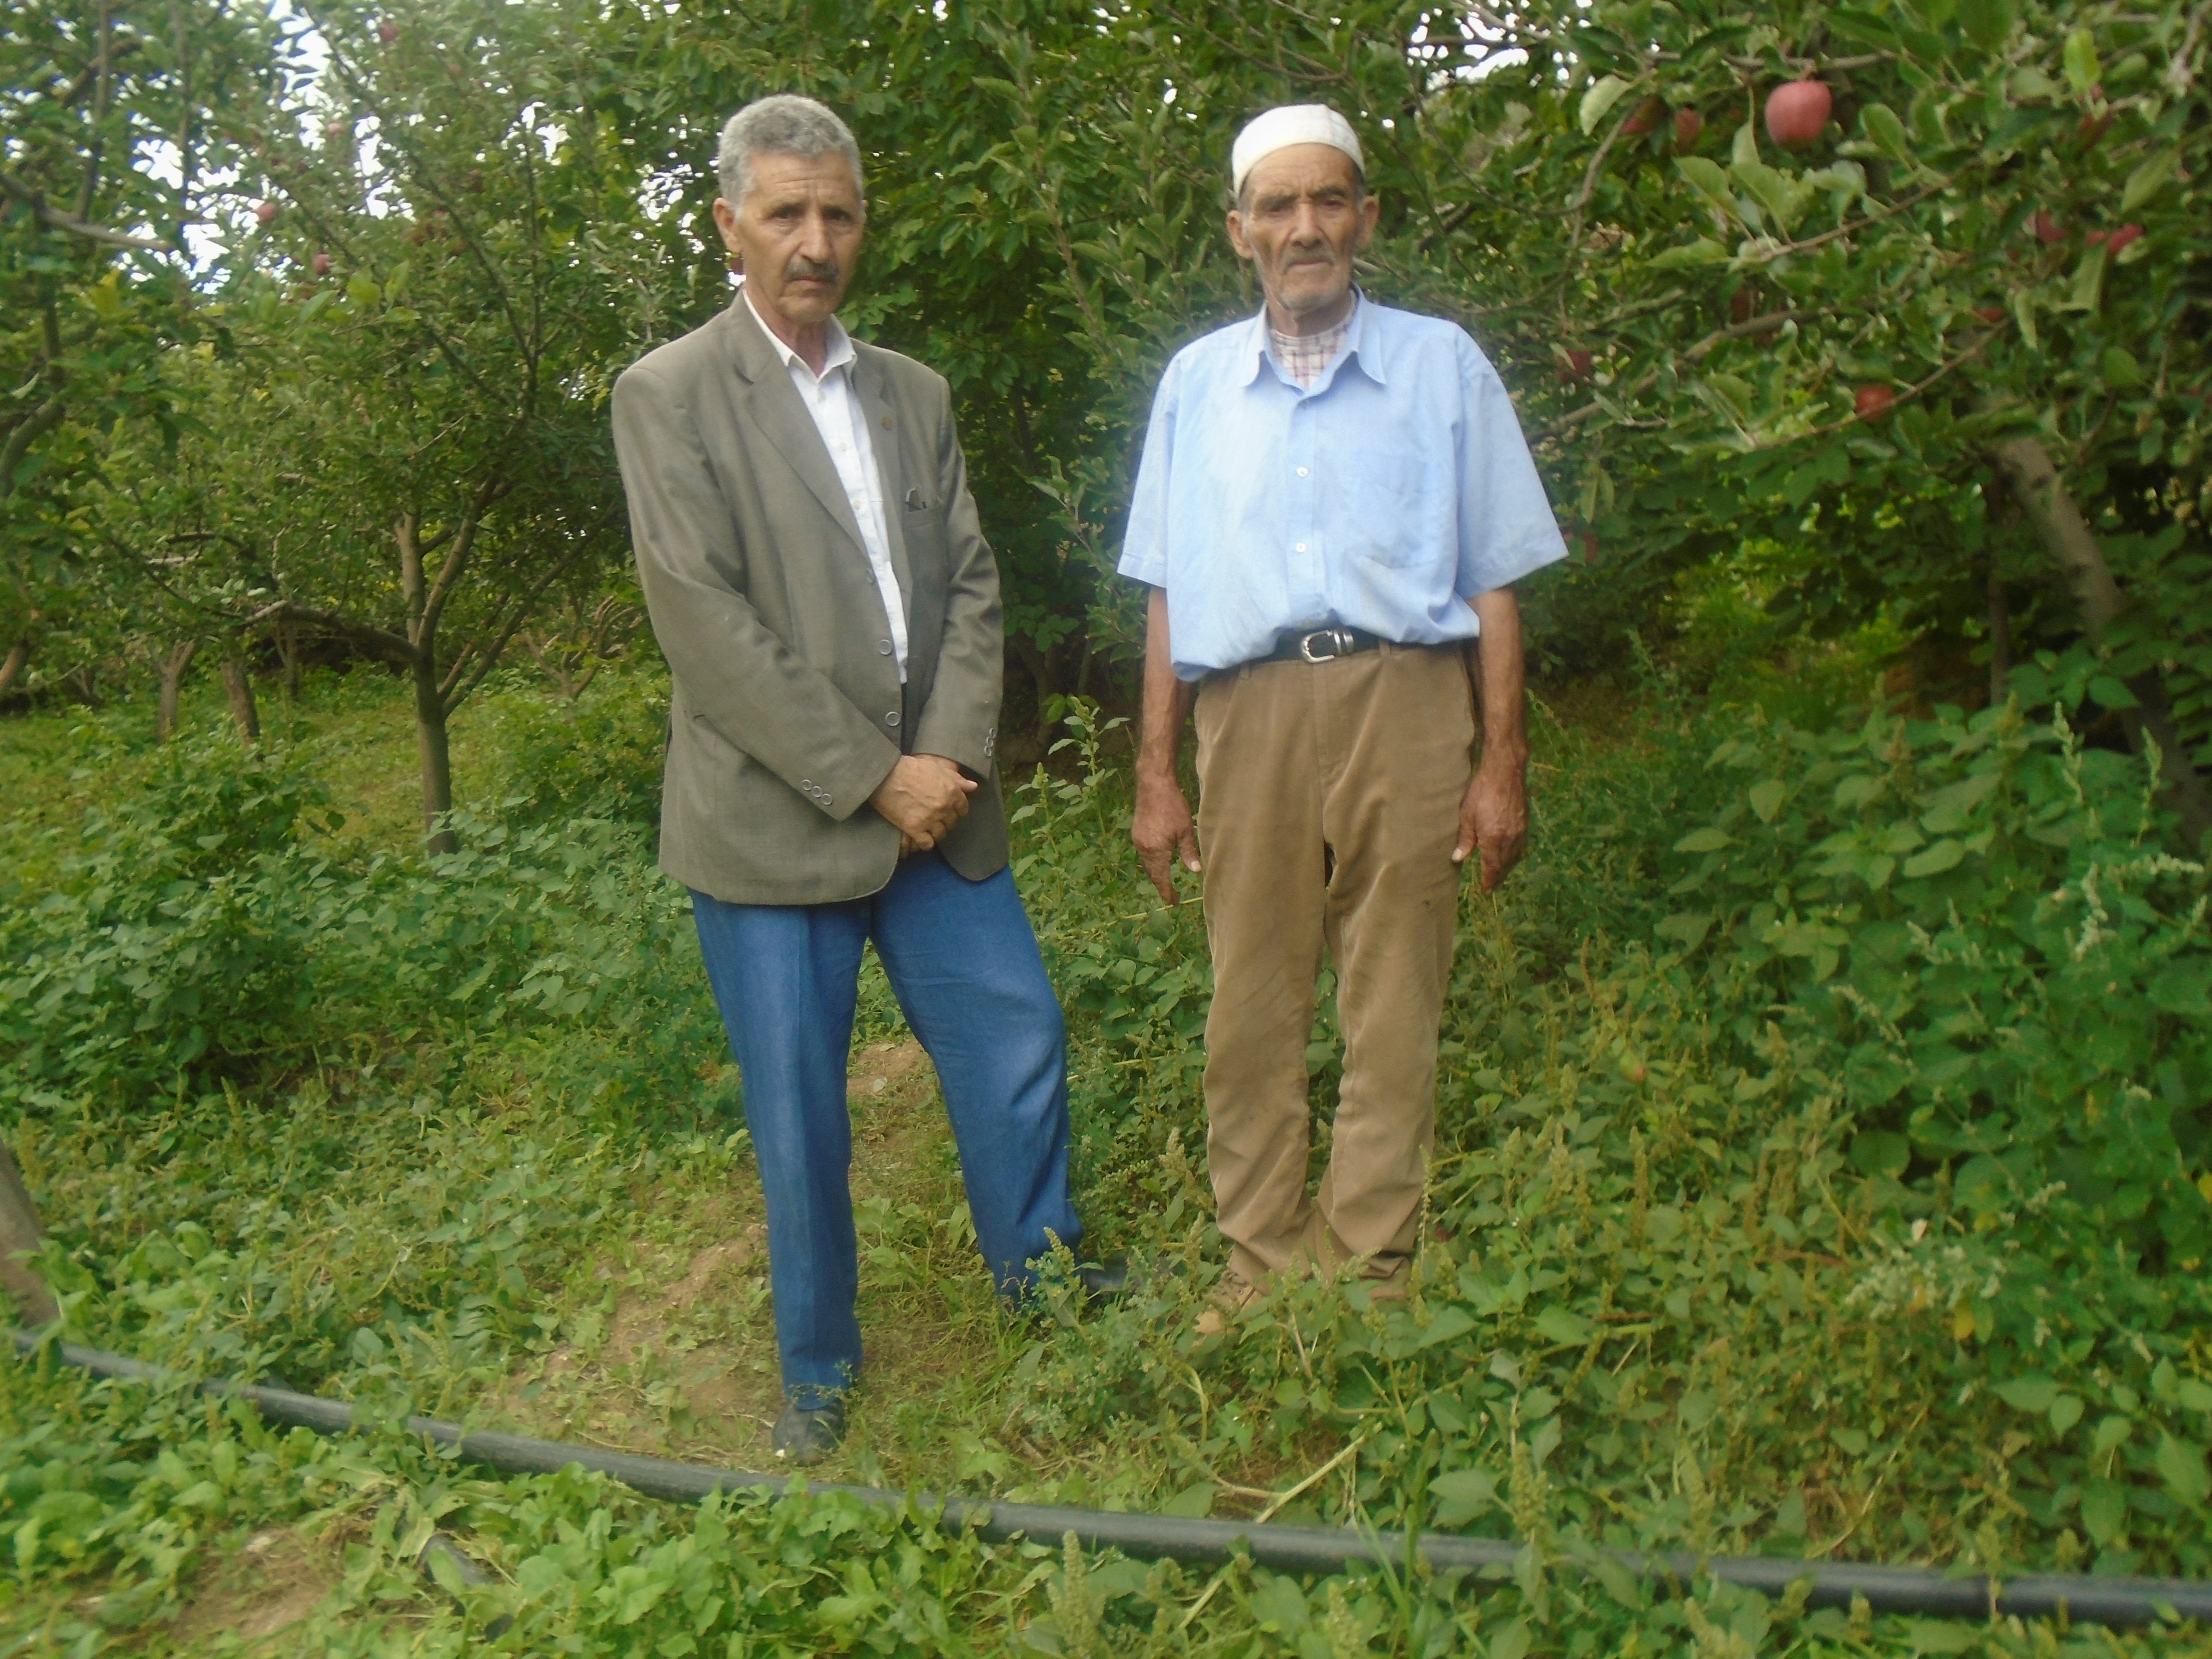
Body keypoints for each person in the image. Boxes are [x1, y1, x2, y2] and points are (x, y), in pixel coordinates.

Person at [612, 94, 1116, 1465]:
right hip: (777, 824)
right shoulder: (666, 395)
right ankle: (820, 1371)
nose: (815, 240)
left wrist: (945, 758)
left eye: (837, 212)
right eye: (786, 213)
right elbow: (704, 626)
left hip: (937, 809)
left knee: (1015, 1037)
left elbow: (967, 578)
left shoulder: (912, 390)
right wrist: (872, 774)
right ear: (730, 225)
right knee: (799, 1110)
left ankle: (1048, 1283)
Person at [1120, 104, 1568, 1321]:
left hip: (1409, 698)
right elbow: (1166, 585)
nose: (1304, 227)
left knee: (1393, 988)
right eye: (1278, 205)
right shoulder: (1196, 385)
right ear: (1239, 231)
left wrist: (1502, 762)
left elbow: (1497, 576)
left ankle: (1371, 1263)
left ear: (1367, 219)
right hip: (1248, 710)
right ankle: (1259, 1262)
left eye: (1329, 201)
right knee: (1251, 991)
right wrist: (1156, 772)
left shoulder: (1444, 365)